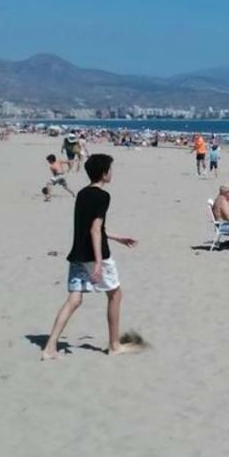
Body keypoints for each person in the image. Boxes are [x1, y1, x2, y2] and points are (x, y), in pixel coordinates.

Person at [40, 154, 140, 360]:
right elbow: (95, 230)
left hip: (77, 254)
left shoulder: (82, 194)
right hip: (96, 255)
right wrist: (98, 263)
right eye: (110, 170)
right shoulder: (103, 197)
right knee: (115, 294)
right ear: (104, 174)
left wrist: (119, 238)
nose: (112, 173)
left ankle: (50, 347)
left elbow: (94, 228)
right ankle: (114, 345)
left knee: (74, 299)